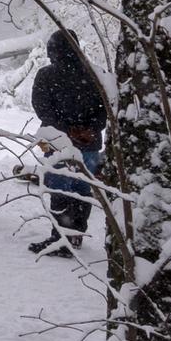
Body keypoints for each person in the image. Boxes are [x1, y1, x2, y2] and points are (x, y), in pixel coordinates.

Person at [29, 30, 107, 257]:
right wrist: (90, 129)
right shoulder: (95, 74)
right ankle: (75, 235)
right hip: (89, 142)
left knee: (60, 188)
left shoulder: (46, 75)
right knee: (82, 189)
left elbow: (42, 108)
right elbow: (105, 108)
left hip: (59, 142)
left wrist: (66, 129)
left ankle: (61, 238)